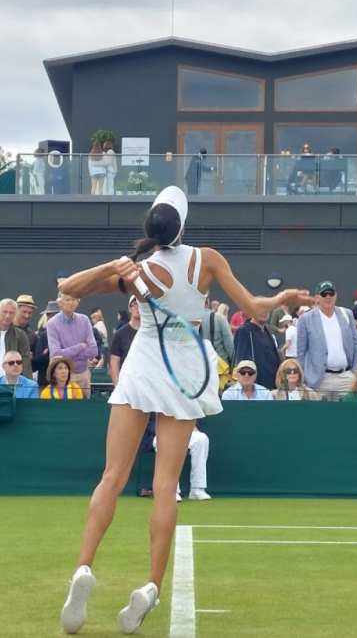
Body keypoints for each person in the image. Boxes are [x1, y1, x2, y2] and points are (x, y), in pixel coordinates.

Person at [55, 186, 311, 635]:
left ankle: (82, 569)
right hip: (187, 361)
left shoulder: (137, 272)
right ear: (183, 224)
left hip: (145, 360)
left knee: (112, 476)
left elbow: (65, 288)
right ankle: (151, 586)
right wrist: (284, 296)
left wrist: (114, 267)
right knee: (166, 484)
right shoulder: (206, 259)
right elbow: (254, 308)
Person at [295, 281, 357, 401]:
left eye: (331, 293)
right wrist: (304, 377)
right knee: (320, 416)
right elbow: (301, 351)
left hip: (346, 376)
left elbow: (356, 344)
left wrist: (355, 371)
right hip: (319, 378)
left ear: (335, 296)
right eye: (323, 294)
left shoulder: (347, 314)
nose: (327, 297)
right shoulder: (305, 319)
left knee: (349, 415)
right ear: (317, 298)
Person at [47, 292, 98, 396]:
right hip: (65, 377)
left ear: (78, 302)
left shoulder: (84, 320)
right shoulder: (52, 324)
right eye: (67, 299)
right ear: (59, 303)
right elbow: (55, 354)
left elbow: (94, 350)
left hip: (84, 375)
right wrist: (81, 346)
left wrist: (67, 355)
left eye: (73, 299)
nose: (70, 303)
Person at [232, 311, 281, 390]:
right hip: (255, 386)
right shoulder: (244, 330)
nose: (264, 312)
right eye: (260, 309)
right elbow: (242, 361)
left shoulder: (267, 329)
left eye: (266, 309)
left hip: (272, 384)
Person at [32, 300, 60, 388]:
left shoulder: (67, 335)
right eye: (48, 315)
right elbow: (38, 358)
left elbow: (67, 357)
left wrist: (48, 353)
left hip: (62, 382)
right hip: (44, 381)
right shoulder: (44, 335)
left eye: (53, 315)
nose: (49, 318)